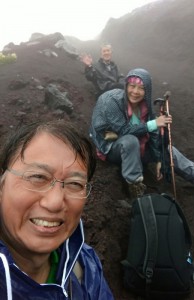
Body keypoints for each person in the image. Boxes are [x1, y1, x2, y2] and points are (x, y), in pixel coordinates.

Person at [0, 120, 114, 299]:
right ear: (2, 183)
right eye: (37, 177)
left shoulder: (84, 266)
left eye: (75, 184)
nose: (55, 202)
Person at [89, 68, 194, 198]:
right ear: (126, 86)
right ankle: (134, 185)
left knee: (167, 149)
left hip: (137, 149)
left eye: (141, 88)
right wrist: (154, 123)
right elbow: (124, 130)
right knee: (130, 140)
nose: (135, 92)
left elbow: (154, 134)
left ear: (147, 90)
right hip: (112, 148)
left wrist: (158, 158)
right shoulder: (112, 101)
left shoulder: (145, 106)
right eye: (132, 86)